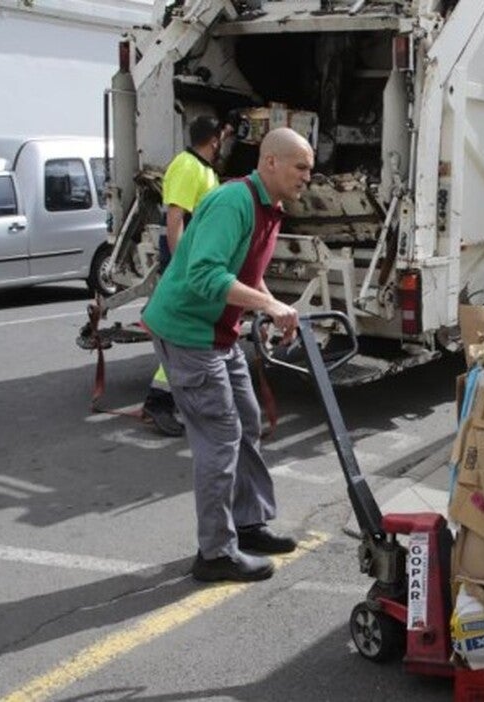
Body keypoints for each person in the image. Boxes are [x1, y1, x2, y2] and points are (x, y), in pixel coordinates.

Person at [143, 128, 313, 582]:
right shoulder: (233, 202)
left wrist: (273, 306)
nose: (307, 178)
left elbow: (247, 275)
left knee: (247, 420)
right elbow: (203, 275)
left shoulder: (269, 209)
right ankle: (215, 553)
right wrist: (268, 305)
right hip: (188, 331)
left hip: (219, 333)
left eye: (310, 170)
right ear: (271, 162)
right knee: (220, 438)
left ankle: (248, 521)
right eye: (300, 167)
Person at [141, 115, 226, 437]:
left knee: (190, 334)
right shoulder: (187, 166)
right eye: (222, 139)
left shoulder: (204, 169)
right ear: (215, 140)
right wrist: (182, 266)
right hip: (186, 263)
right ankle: (159, 401)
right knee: (181, 334)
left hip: (198, 260)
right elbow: (174, 218)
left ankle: (177, 399)